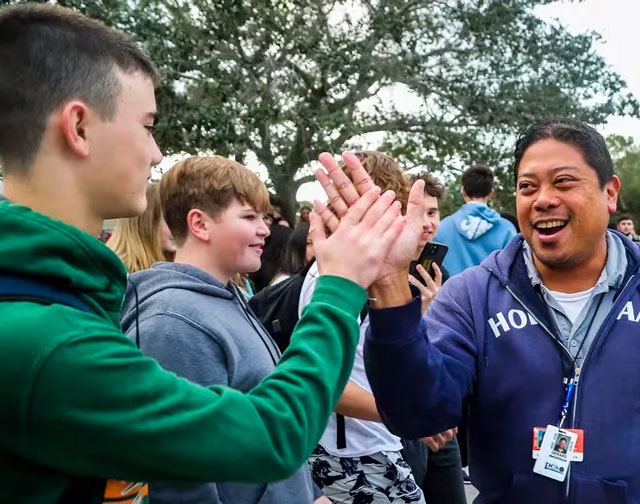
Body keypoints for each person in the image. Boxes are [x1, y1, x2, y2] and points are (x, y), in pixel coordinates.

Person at [0, 4, 407, 502]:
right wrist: (341, 283)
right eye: (147, 126)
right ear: (79, 127)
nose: (155, 153)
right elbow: (270, 436)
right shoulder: (47, 343)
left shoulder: (61, 302)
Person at [314, 118, 640, 503]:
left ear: (610, 192)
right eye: (527, 187)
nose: (542, 200)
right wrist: (390, 285)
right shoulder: (472, 296)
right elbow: (418, 412)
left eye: (563, 182)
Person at [120, 156, 318, 503]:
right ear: (200, 224)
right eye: (249, 217)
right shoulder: (173, 323)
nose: (265, 230)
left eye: (263, 217)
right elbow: (182, 476)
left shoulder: (232, 298)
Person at [303, 152, 435, 504]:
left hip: (372, 444)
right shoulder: (329, 278)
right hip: (354, 452)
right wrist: (406, 415)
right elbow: (329, 384)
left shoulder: (367, 274)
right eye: (397, 208)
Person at [402, 173, 467, 504]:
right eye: (421, 212)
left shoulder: (440, 275)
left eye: (434, 212)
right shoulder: (383, 276)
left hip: (440, 423)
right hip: (396, 430)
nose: (428, 223)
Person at [433, 164, 516, 276]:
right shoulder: (507, 229)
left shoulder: (441, 228)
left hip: (450, 292)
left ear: (463, 191)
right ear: (491, 193)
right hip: (492, 293)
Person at [108, 181, 176, 272]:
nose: (178, 227)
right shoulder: (119, 272)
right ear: (145, 224)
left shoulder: (175, 264)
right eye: (168, 219)